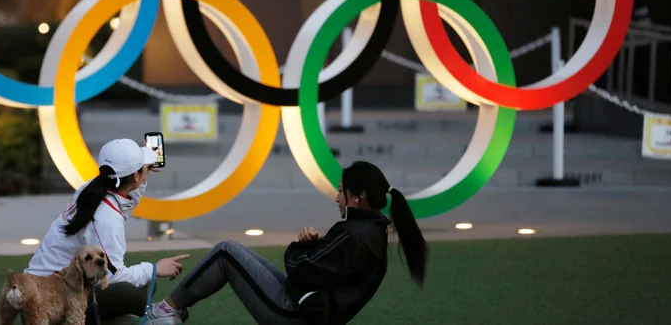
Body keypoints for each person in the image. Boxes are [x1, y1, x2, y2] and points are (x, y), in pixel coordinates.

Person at [144, 161, 428, 325]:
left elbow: (300, 269)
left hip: (294, 316)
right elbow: (322, 272)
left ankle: (164, 313)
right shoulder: (369, 232)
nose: (337, 198)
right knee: (230, 249)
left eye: (341, 191)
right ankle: (171, 310)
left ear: (359, 197)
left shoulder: (355, 235)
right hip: (306, 309)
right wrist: (314, 245)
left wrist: (302, 244)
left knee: (226, 253)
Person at [24, 138, 191, 324]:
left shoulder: (92, 189)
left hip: (40, 290)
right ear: (134, 175)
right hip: (49, 303)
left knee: (143, 283)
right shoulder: (106, 218)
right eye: (142, 167)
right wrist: (154, 269)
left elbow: (124, 202)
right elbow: (112, 276)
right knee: (131, 293)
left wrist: (142, 177)